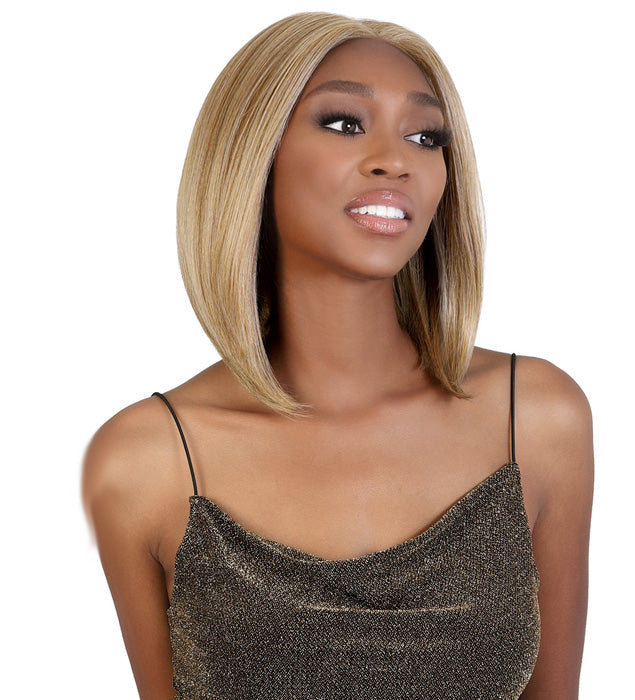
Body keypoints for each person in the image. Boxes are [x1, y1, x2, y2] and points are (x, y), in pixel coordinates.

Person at [82, 12, 594, 700]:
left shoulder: (535, 418)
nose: (395, 159)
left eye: (425, 136)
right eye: (345, 123)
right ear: (254, 155)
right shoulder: (147, 462)